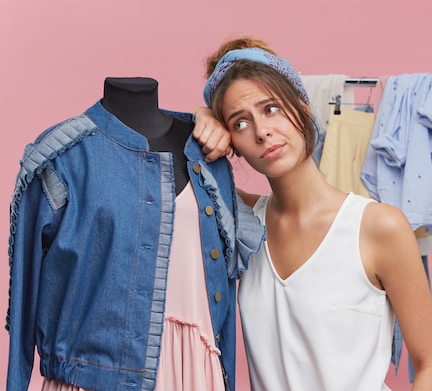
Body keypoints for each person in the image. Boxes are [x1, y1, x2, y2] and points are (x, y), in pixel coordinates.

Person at [196, 43, 432, 390]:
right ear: (232, 143)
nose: (262, 131)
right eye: (240, 123)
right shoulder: (240, 224)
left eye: (271, 109)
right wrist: (200, 118)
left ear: (302, 106)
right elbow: (181, 168)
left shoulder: (378, 227)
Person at [5, 77, 263, 391]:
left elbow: (225, 290)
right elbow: (24, 299)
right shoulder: (64, 155)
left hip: (197, 374)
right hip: (92, 379)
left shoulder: (208, 154)